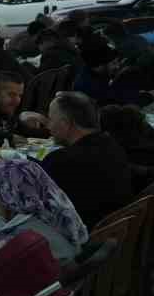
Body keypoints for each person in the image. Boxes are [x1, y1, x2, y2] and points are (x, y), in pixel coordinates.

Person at [41, 90, 133, 227]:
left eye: (50, 119)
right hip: (114, 229)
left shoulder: (61, 161)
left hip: (84, 239)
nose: (48, 126)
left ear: (65, 124)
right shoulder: (112, 145)